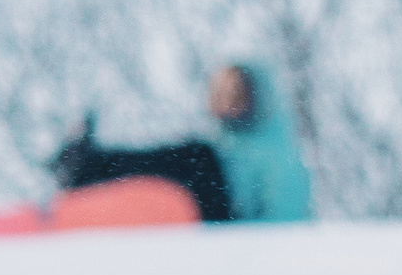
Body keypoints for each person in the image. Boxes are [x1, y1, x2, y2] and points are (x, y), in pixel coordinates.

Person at [53, 61, 315, 227]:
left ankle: (90, 166)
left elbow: (286, 224)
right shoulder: (224, 143)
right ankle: (89, 170)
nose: (226, 103)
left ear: (259, 97)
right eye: (219, 93)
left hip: (233, 225)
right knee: (179, 158)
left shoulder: (281, 157)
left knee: (196, 157)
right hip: (209, 208)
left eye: (236, 94)